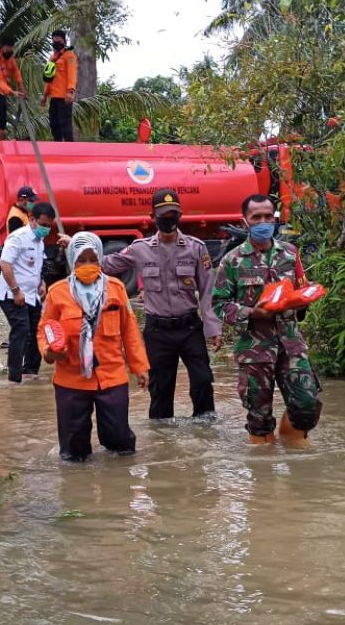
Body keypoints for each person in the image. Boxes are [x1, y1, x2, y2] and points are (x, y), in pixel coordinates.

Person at [101, 188, 222, 419]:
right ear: (152, 216)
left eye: (173, 213)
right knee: (160, 391)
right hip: (158, 332)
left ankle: (206, 432)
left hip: (189, 328)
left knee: (203, 381)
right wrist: (78, 251)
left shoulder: (196, 248)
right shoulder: (139, 249)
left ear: (180, 214)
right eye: (163, 214)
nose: (168, 219)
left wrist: (213, 328)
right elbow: (106, 265)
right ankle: (163, 439)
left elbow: (207, 291)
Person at [213, 194, 323, 444]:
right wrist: (252, 312)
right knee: (259, 417)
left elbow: (301, 288)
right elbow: (219, 304)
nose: (263, 221)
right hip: (254, 348)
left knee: (307, 403)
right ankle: (265, 474)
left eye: (267, 216)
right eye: (256, 217)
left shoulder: (290, 253)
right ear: (245, 222)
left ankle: (291, 443)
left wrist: (303, 300)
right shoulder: (232, 260)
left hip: (291, 344)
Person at [38, 232, 150, 461]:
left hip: (111, 375)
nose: (88, 265)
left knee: (120, 441)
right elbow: (45, 329)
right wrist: (49, 351)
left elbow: (129, 331)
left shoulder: (116, 289)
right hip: (71, 379)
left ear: (100, 259)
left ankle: (118, 488)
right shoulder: (57, 292)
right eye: (81, 260)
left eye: (93, 260)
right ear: (72, 261)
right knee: (73, 450)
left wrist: (140, 367)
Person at [0, 201, 57, 383]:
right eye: (43, 225)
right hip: (12, 294)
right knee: (21, 330)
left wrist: (42, 283)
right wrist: (16, 291)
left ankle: (30, 371)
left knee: (37, 330)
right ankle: (14, 377)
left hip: (32, 295)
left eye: (49, 226)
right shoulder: (18, 238)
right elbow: (5, 264)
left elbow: (37, 266)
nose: (46, 229)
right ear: (32, 219)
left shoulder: (39, 242)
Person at [40, 29, 77, 142]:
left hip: (64, 97)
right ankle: (58, 148)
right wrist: (45, 96)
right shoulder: (52, 58)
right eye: (54, 41)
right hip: (54, 98)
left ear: (64, 42)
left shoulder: (69, 55)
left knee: (65, 126)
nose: (56, 44)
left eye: (59, 41)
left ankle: (70, 150)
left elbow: (72, 74)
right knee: (54, 125)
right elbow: (49, 80)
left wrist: (70, 91)